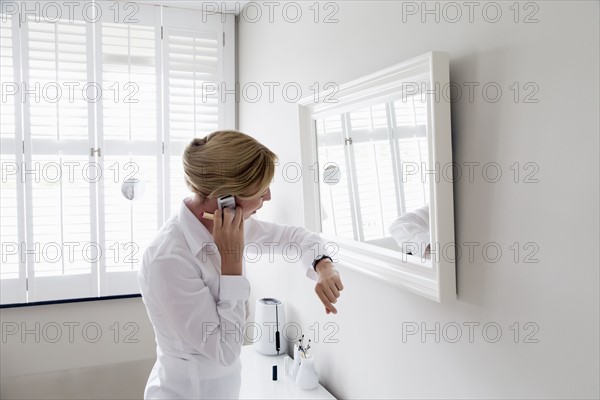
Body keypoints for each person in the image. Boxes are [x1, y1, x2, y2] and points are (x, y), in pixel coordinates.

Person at [137, 130, 344, 399]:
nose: (268, 198)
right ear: (226, 198)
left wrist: (323, 266)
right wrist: (231, 262)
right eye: (260, 190)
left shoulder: (229, 224)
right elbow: (225, 349)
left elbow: (294, 238)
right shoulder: (167, 260)